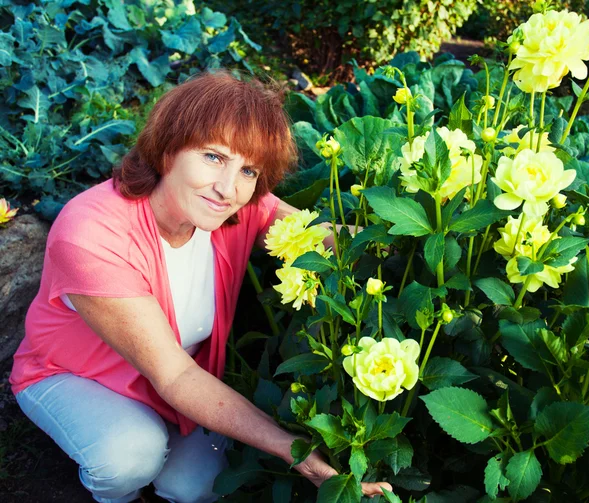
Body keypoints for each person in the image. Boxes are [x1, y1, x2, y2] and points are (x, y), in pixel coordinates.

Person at [10, 71, 391, 503]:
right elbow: (174, 375)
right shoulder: (91, 234)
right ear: (169, 147)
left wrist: (401, 239)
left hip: (177, 379)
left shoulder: (235, 205)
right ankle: (111, 493)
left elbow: (315, 232)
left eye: (248, 169)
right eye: (212, 157)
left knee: (197, 488)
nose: (228, 188)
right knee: (131, 457)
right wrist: (295, 451)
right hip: (79, 376)